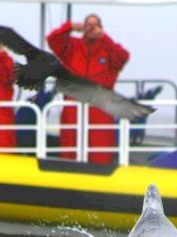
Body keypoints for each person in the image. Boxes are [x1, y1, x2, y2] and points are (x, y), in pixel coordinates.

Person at [47, 14, 129, 163]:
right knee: (69, 149)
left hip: (100, 106)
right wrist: (69, 27)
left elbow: (123, 57)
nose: (92, 28)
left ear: (101, 28)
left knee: (101, 152)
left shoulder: (108, 49)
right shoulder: (72, 46)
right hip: (73, 104)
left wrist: (104, 38)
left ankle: (101, 182)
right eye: (88, 25)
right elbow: (52, 40)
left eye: (95, 25)